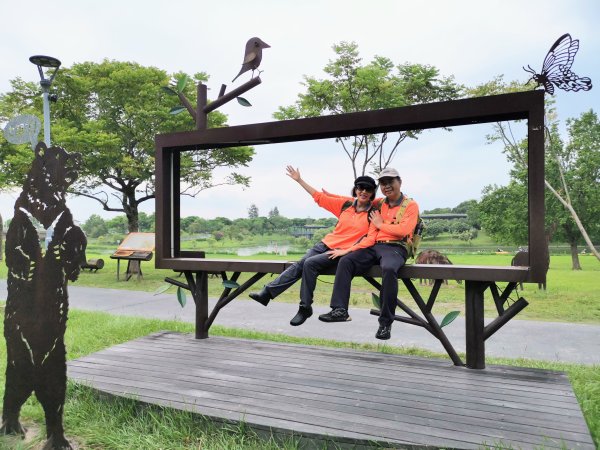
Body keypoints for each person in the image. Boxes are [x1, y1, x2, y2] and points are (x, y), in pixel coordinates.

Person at [249, 166, 377, 326]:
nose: (364, 191)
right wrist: (299, 180)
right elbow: (319, 197)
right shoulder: (345, 205)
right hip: (325, 244)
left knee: (309, 264)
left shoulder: (375, 212)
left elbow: (393, 200)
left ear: (373, 192)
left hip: (341, 252)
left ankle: (301, 306)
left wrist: (345, 251)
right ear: (355, 189)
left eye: (368, 189)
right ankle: (270, 294)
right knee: (302, 264)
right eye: (360, 188)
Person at [319, 167, 419, 340]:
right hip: (374, 245)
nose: (387, 186)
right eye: (383, 183)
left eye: (390, 182)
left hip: (396, 247)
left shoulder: (410, 205)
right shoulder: (379, 203)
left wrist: (380, 225)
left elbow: (404, 230)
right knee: (346, 260)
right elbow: (354, 198)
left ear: (400, 182)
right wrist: (330, 196)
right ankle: (339, 309)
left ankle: (385, 323)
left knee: (388, 269)